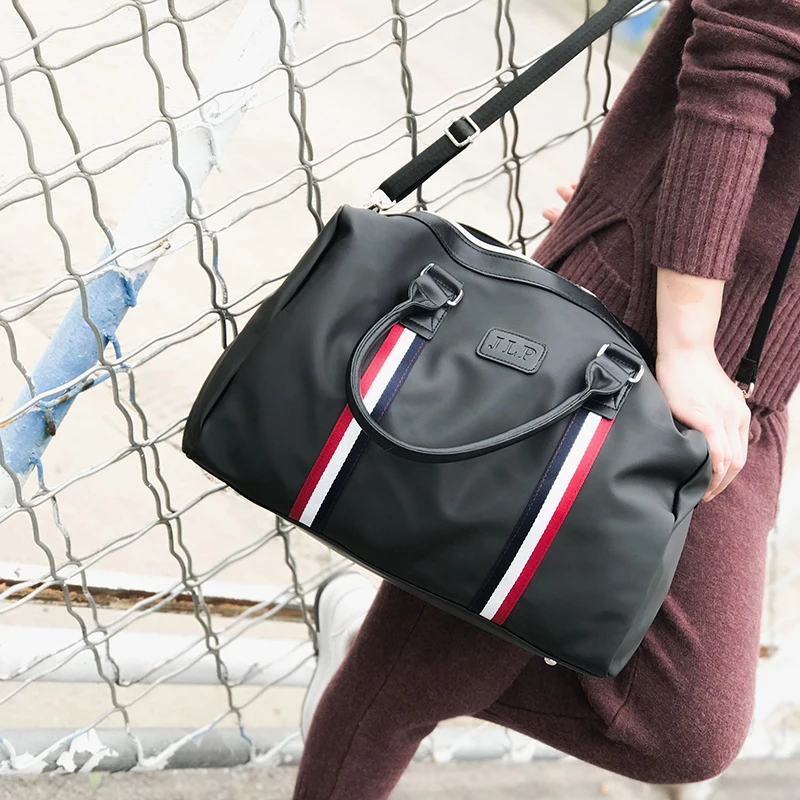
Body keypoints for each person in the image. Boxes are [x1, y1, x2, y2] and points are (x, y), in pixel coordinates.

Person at [292, 1, 800, 797]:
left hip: (751, 380)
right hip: (642, 340)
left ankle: (376, 637)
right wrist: (680, 315)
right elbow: (742, 55)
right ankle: (393, 663)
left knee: (684, 727)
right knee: (401, 691)